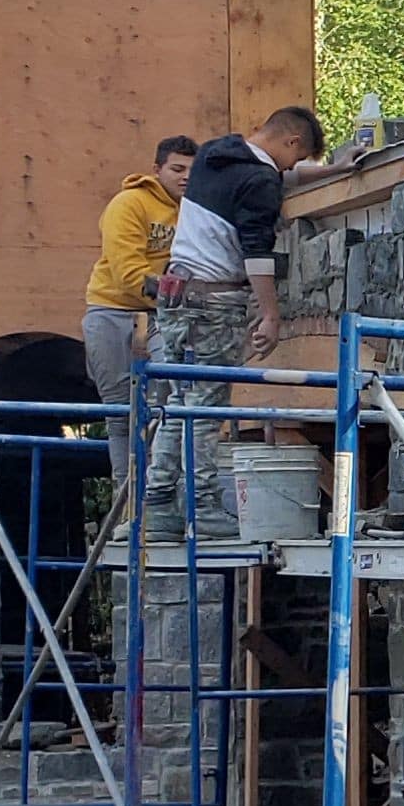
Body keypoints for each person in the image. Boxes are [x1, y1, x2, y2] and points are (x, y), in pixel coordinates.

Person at [142, 106, 328, 534]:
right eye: (295, 160)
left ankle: (159, 507)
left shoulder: (214, 155)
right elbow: (257, 254)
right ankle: (203, 506)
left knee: (179, 405)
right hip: (214, 303)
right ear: (292, 142)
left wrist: (328, 170)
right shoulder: (260, 182)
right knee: (206, 409)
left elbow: (269, 181)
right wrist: (270, 314)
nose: (290, 169)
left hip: (176, 298)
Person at [80, 136, 195, 408]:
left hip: (161, 313)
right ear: (157, 170)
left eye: (193, 171)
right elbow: (127, 272)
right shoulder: (128, 203)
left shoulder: (193, 210)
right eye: (177, 170)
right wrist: (175, 298)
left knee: (173, 391)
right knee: (119, 408)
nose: (186, 178)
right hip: (111, 309)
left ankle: (161, 451)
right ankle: (128, 451)